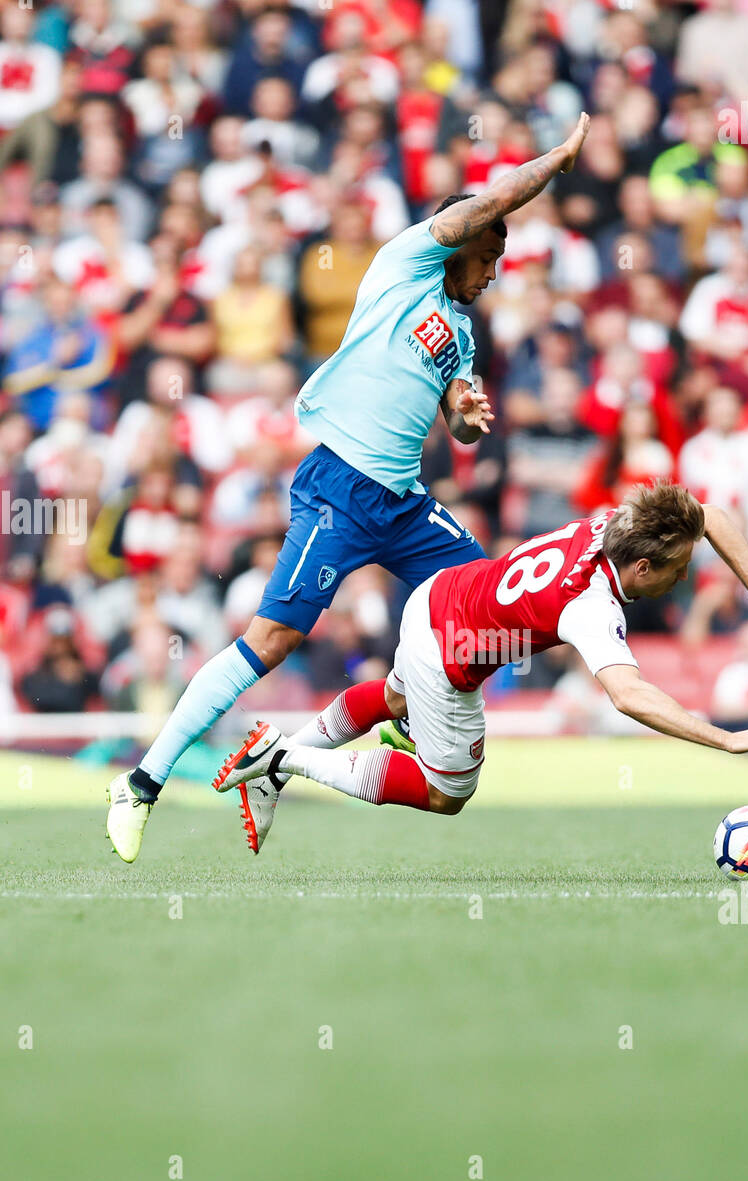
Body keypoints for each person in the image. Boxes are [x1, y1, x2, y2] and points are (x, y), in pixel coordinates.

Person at [106, 112, 594, 862]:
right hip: (339, 487)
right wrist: (555, 160)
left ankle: (318, 742)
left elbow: (457, 425)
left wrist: (463, 413)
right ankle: (140, 782)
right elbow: (489, 202)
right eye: (490, 253)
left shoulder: (459, 330)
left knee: (491, 609)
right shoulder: (404, 262)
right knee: (272, 639)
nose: (495, 270)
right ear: (460, 237)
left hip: (401, 503)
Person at [212, 482, 748, 834]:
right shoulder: (590, 606)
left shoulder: (612, 525)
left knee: (394, 700)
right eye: (678, 569)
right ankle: (281, 758)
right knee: (446, 792)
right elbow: (629, 695)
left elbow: (711, 515)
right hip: (449, 652)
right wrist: (725, 739)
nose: (684, 576)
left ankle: (276, 764)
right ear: (643, 567)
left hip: (441, 595)